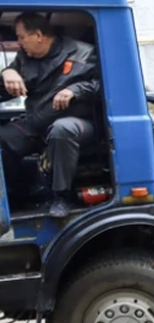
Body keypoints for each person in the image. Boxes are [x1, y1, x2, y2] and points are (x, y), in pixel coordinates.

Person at [0, 12, 102, 217]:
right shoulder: (24, 58)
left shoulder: (83, 54)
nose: (19, 43)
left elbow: (102, 85)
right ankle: (18, 194)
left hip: (79, 123)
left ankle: (61, 196)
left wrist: (76, 90)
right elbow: (7, 88)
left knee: (62, 129)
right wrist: (6, 74)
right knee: (3, 139)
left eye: (21, 37)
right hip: (37, 122)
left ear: (38, 35)